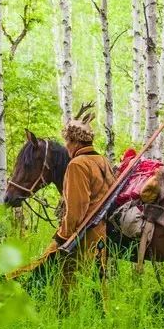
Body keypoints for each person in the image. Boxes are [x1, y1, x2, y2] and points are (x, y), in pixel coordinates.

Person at [47, 104, 116, 308]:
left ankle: (64, 315)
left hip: (81, 235)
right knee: (98, 276)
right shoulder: (102, 160)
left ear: (75, 142)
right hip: (101, 232)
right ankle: (101, 315)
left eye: (67, 141)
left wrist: (63, 235)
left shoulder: (78, 164)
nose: (66, 146)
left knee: (66, 275)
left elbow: (77, 207)